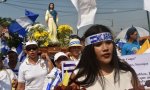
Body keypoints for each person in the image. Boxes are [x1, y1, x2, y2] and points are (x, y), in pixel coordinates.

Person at [69, 24, 141, 90]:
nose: (105, 48)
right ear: (89, 49)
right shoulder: (78, 76)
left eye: (109, 42)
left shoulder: (127, 71)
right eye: (98, 44)